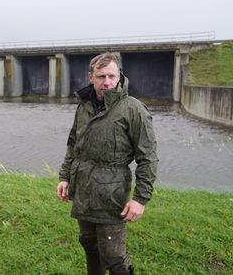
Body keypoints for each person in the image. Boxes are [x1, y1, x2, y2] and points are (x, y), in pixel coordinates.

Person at [56, 52, 158, 275]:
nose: (108, 82)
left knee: (114, 257)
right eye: (101, 76)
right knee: (89, 245)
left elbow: (147, 157)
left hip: (111, 197)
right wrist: (64, 177)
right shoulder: (84, 106)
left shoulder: (133, 109)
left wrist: (140, 199)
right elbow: (73, 144)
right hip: (82, 190)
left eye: (112, 76)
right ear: (91, 77)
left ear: (119, 76)